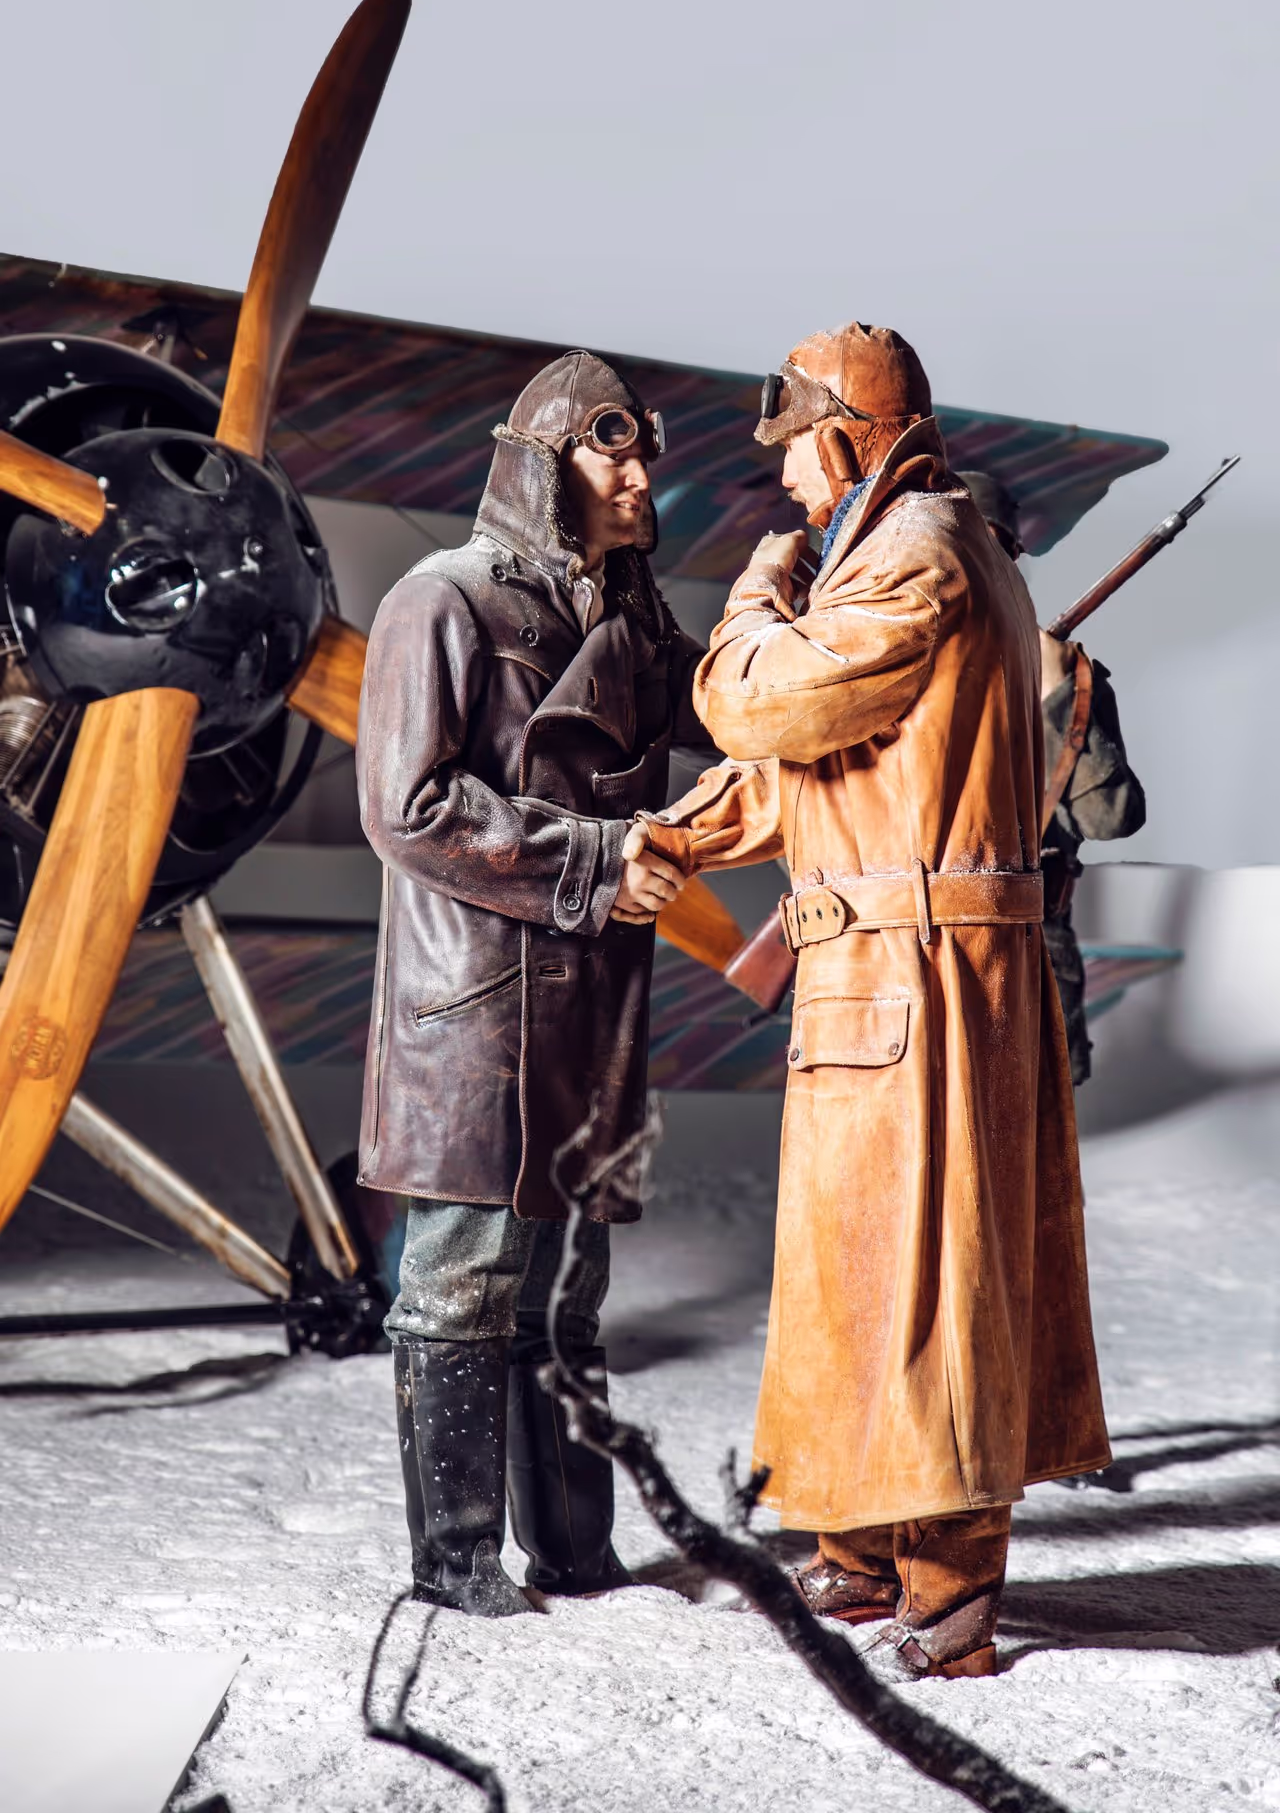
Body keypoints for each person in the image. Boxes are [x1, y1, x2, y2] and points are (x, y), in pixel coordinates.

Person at [627, 323, 1110, 1679]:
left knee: (930, 1285)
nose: (782, 481)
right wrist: (664, 843)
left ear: (851, 440)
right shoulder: (889, 554)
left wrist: (751, 592)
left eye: (794, 451)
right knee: (846, 1283)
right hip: (876, 972)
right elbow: (808, 775)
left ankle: (947, 1590)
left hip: (922, 975)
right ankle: (860, 1544)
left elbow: (755, 708)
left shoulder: (917, 551)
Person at [356, 351, 708, 1617]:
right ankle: (454, 1563)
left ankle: (573, 1550)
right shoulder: (437, 601)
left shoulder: (639, 627)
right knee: (461, 1281)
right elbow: (408, 809)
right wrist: (601, 859)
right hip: (475, 1011)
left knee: (566, 1292)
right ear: (541, 468)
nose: (638, 476)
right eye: (611, 453)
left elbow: (726, 726)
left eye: (643, 454)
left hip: (588, 999)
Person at [958, 471, 1146, 1085]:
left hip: (1033, 949)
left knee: (1035, 1134)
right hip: (916, 950)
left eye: (996, 549)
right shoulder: (888, 667)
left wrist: (1058, 694)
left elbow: (1110, 819)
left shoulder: (1066, 676)